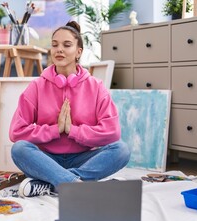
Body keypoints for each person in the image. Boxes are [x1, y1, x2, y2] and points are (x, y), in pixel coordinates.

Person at [9, 21, 131, 197]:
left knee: (121, 150)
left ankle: (55, 184)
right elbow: (16, 132)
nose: (59, 49)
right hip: (47, 159)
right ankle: (74, 183)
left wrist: (73, 131)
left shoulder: (96, 87)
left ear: (78, 52)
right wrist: (55, 130)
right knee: (19, 149)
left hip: (83, 159)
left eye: (66, 45)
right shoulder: (36, 86)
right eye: (55, 45)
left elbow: (112, 132)